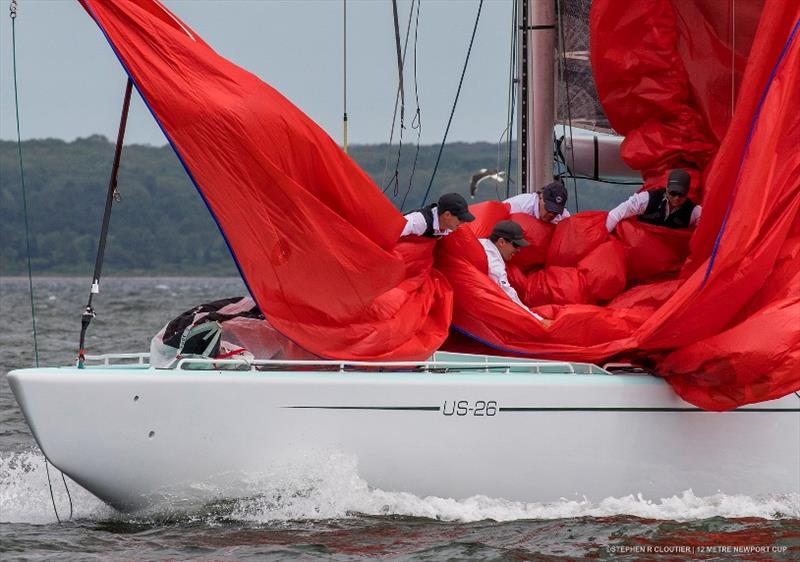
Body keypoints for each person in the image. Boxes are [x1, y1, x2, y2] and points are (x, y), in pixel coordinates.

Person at [479, 220, 551, 327]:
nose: (519, 250)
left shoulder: (482, 242)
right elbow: (508, 296)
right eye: (516, 245)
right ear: (501, 242)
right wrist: (538, 320)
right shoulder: (493, 264)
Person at [605, 168, 702, 232]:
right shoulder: (647, 199)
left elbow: (706, 232)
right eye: (673, 193)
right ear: (667, 189)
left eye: (681, 194)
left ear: (687, 193)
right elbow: (616, 214)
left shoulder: (694, 211)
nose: (676, 198)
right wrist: (605, 234)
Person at [400, 192, 476, 238]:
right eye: (460, 218)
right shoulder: (419, 221)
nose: (463, 222)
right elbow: (394, 230)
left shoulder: (448, 228)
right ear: (447, 215)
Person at [504, 180, 570, 224]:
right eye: (549, 209)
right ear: (541, 197)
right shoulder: (519, 205)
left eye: (556, 212)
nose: (551, 214)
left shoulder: (564, 217)